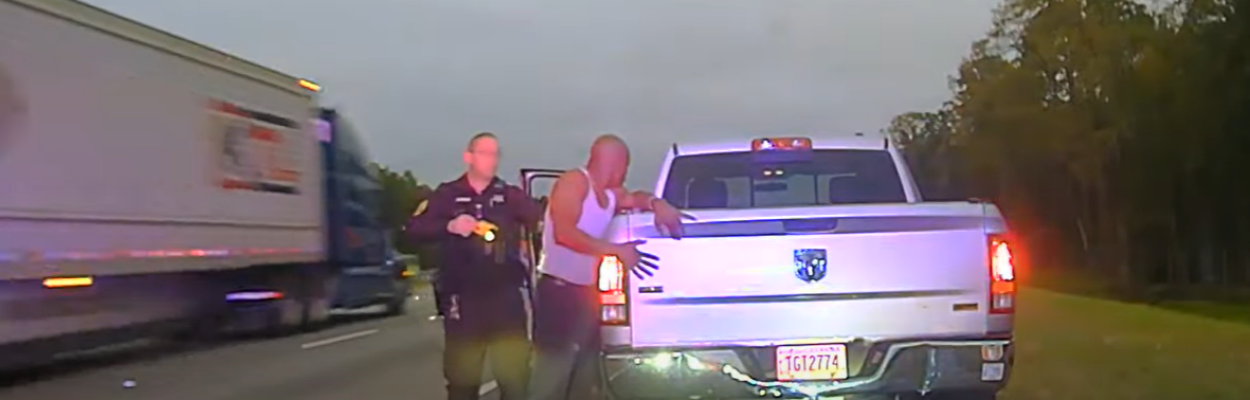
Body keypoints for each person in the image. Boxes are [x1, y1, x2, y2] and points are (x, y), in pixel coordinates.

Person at [529, 134, 689, 400]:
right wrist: (616, 251)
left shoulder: (610, 195)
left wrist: (656, 204)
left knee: (586, 378)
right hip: (559, 292)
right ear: (616, 163)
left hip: (585, 294)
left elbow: (636, 198)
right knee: (551, 376)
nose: (625, 173)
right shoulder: (574, 182)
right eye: (625, 166)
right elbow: (564, 234)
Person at [406, 132, 542, 400]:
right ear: (468, 157)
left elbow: (543, 220)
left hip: (505, 297)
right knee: (462, 382)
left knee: (515, 380)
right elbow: (413, 229)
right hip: (464, 298)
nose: (491, 160)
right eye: (484, 153)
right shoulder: (447, 195)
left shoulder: (509, 196)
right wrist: (450, 226)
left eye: (495, 154)